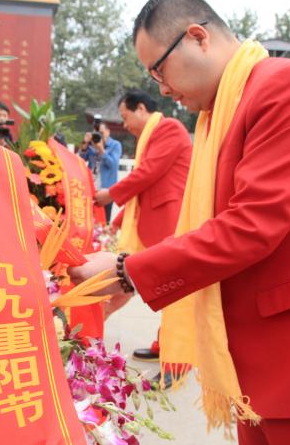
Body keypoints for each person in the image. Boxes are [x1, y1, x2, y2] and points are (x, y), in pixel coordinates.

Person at [70, 0, 290, 445]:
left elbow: (251, 226)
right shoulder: (218, 115)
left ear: (198, 37)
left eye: (159, 70)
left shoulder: (287, 88)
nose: (163, 89)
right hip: (259, 356)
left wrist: (129, 271)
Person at [95, 89, 192, 385]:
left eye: (125, 117)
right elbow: (147, 187)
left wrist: (110, 195)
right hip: (155, 222)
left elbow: (148, 173)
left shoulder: (169, 129)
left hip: (172, 224)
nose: (125, 125)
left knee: (176, 294)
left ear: (141, 109)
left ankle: (178, 361)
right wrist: (118, 221)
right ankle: (164, 346)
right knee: (160, 290)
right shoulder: (150, 136)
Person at [95, 122, 121, 222]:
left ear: (108, 132)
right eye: (97, 133)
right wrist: (85, 145)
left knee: (104, 220)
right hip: (93, 187)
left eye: (101, 133)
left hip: (106, 190)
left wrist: (102, 151)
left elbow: (113, 165)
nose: (100, 135)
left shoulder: (115, 145)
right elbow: (82, 158)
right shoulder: (94, 144)